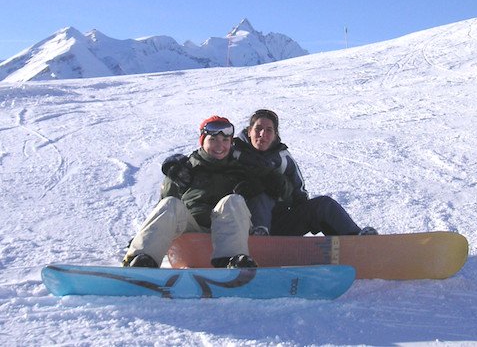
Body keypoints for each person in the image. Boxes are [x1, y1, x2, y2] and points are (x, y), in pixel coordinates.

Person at [122, 115, 272, 269]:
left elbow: (272, 198)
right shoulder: (183, 170)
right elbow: (163, 213)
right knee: (170, 204)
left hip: (230, 229)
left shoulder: (241, 169)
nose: (220, 146)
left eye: (225, 141)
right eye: (213, 140)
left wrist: (256, 182)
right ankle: (140, 261)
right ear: (202, 141)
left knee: (233, 201)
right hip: (192, 228)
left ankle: (232, 262)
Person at [232, 109, 378, 237]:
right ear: (249, 130)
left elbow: (299, 193)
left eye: (269, 130)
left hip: (279, 224)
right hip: (241, 226)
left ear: (275, 134)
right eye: (258, 128)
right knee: (261, 194)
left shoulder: (283, 158)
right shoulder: (234, 152)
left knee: (324, 205)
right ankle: (259, 237)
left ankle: (355, 240)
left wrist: (288, 195)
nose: (262, 134)